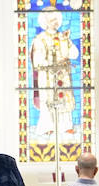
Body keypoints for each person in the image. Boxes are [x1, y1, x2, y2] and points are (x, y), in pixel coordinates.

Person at [30, 7, 79, 140]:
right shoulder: (40, 39)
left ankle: (66, 126)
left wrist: (67, 43)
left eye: (57, 20)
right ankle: (47, 127)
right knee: (48, 101)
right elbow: (37, 60)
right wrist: (50, 63)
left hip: (62, 75)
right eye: (52, 20)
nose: (55, 23)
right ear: (45, 22)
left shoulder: (63, 37)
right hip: (47, 76)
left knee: (65, 99)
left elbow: (74, 53)